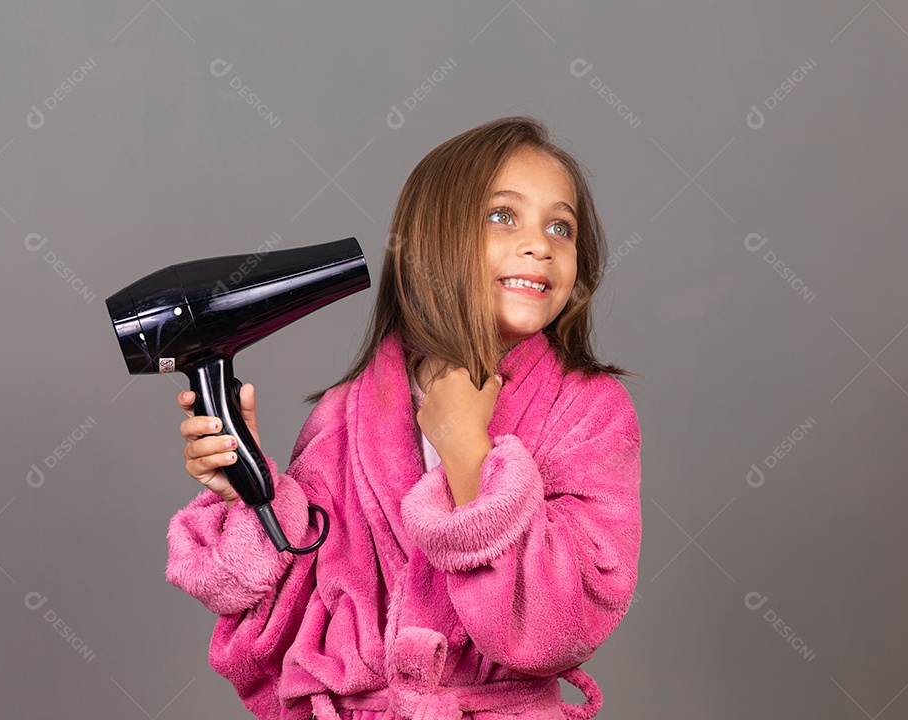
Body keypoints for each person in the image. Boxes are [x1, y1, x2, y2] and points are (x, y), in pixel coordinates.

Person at [166, 116, 643, 720]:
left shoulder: (589, 412)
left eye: (561, 226)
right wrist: (251, 498)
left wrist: (466, 445)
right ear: (429, 240)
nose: (540, 244)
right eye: (503, 216)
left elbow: (562, 624)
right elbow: (286, 631)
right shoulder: (349, 414)